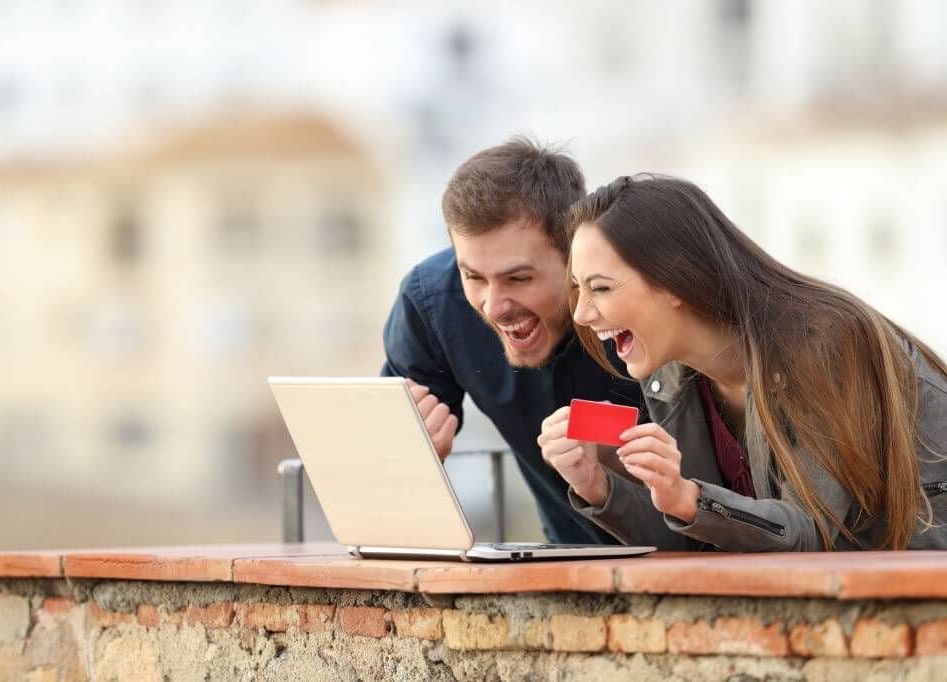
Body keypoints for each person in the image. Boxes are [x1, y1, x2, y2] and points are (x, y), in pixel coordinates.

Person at [539, 174, 947, 551]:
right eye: (579, 289)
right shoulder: (671, 374)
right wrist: (599, 486)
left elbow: (812, 533)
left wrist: (689, 497)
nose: (582, 315)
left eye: (602, 288)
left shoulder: (822, 343)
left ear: (672, 280)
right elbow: (703, 541)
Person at [381, 138, 644, 545]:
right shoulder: (430, 301)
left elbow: (692, 446)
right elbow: (384, 491)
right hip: (561, 565)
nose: (494, 306)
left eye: (519, 278)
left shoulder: (638, 291)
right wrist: (408, 460)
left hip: (690, 560)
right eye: (473, 277)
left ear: (574, 254)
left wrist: (597, 430)